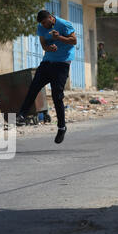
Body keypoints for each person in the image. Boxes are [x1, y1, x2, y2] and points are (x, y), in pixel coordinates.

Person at [16, 10, 77, 144]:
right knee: (34, 86)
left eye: (45, 22)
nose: (43, 25)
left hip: (62, 63)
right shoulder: (41, 27)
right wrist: (49, 48)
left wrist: (60, 38)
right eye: (41, 24)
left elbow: (74, 41)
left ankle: (61, 127)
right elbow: (44, 44)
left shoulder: (64, 24)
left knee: (57, 95)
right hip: (48, 61)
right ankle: (22, 114)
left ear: (51, 18)